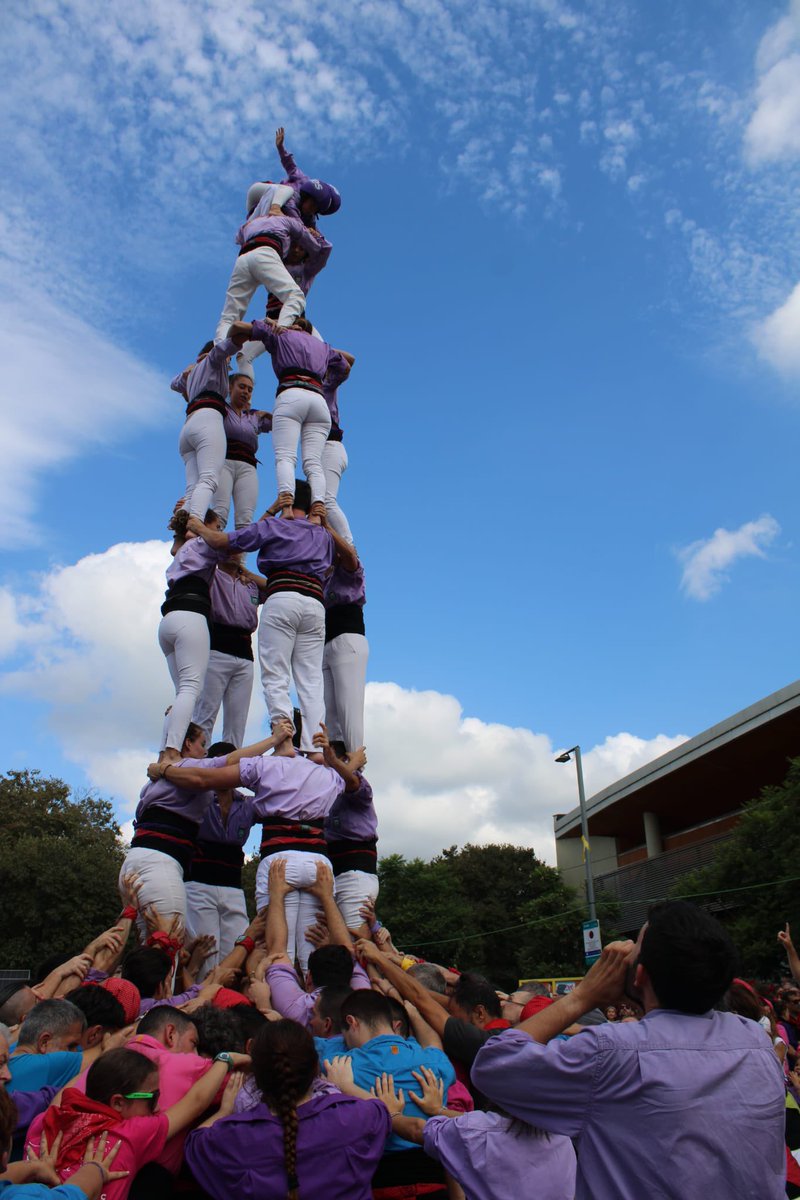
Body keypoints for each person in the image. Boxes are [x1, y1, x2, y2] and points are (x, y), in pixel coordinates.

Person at [470, 900, 787, 1199]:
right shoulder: (756, 1042)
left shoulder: (613, 1053)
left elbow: (492, 1065)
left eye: (634, 947)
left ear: (639, 975)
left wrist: (582, 996)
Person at [150, 733, 365, 970]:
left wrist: (164, 767)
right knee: (210, 947)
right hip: (205, 881)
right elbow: (344, 779)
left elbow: (205, 778)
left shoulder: (252, 793)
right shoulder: (201, 801)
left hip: (251, 876)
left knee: (264, 948)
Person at [188, 481, 358, 752]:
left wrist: (196, 525)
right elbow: (350, 559)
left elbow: (225, 542)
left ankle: (284, 741)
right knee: (311, 679)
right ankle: (314, 749)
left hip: (282, 597)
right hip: (314, 604)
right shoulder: (324, 535)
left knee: (276, 674)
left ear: (288, 503)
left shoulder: (274, 526)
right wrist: (324, 523)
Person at [184, 1019, 389, 1200]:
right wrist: (345, 1085)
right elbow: (381, 1109)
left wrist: (224, 1110)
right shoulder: (353, 1118)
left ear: (256, 1076)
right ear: (315, 1068)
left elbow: (195, 1143)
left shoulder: (231, 1138)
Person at [121, 723, 292, 940]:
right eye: (202, 745)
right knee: (184, 942)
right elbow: (214, 766)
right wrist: (274, 740)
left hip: (231, 884)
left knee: (231, 944)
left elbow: (274, 799)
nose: (204, 751)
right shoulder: (194, 787)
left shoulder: (245, 805)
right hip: (192, 880)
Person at [25, 1045, 249, 1200]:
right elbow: (196, 1102)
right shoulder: (129, 1134)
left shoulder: (44, 1122)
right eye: (152, 1098)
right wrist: (225, 1060)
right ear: (119, 1103)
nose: (159, 1107)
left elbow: (63, 1096)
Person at [229, 317, 352, 519]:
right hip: (318, 400)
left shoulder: (281, 334)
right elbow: (346, 366)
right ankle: (317, 513)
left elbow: (238, 327)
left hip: (291, 392)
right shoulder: (321, 345)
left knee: (286, 456)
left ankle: (286, 509)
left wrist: (268, 325)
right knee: (312, 462)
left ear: (291, 323)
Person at [157, 511, 229, 762]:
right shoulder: (204, 544)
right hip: (191, 616)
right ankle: (172, 753)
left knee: (182, 695)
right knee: (190, 689)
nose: (218, 529)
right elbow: (234, 543)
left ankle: (163, 752)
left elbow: (177, 544)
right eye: (217, 525)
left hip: (168, 620)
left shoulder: (183, 549)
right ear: (204, 524)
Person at [184, 745, 255, 975]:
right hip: (199, 883)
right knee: (206, 952)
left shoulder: (247, 804)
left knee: (237, 953)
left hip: (233, 886)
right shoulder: (196, 796)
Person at [214, 198, 324, 340]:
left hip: (242, 259)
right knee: (296, 296)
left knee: (230, 315)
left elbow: (239, 238)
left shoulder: (249, 224)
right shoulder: (287, 220)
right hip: (266, 253)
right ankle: (281, 331)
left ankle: (220, 354)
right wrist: (313, 233)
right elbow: (315, 246)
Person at [191, 559, 267, 749]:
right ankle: (198, 760)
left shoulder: (250, 583)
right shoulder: (212, 576)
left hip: (245, 653)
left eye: (238, 549)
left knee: (238, 720)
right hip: (217, 648)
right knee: (206, 712)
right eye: (230, 549)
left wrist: (249, 575)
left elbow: (275, 589)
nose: (235, 554)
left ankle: (230, 766)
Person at [170, 333, 245, 522]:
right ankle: (195, 525)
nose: (228, 365)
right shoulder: (214, 359)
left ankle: (181, 526)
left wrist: (189, 371)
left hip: (189, 425)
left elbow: (174, 384)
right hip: (208, 418)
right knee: (209, 479)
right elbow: (228, 345)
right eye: (228, 361)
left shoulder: (194, 372)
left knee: (192, 487)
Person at [212, 366, 273, 531]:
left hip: (247, 467)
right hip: (223, 462)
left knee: (245, 519)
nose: (246, 391)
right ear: (230, 387)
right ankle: (212, 555)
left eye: (250, 389)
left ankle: (239, 558)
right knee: (219, 514)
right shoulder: (221, 408)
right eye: (242, 387)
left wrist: (266, 414)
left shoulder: (254, 416)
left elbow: (282, 423)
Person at [323, 557, 368, 755]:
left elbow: (348, 553)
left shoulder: (350, 568)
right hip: (325, 643)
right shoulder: (321, 577)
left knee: (349, 710)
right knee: (329, 715)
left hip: (347, 638)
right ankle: (336, 767)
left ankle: (357, 768)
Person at [320, 353, 356, 544]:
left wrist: (321, 349)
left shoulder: (326, 384)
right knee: (317, 502)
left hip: (331, 445)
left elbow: (350, 361)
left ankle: (348, 545)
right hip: (323, 448)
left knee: (326, 500)